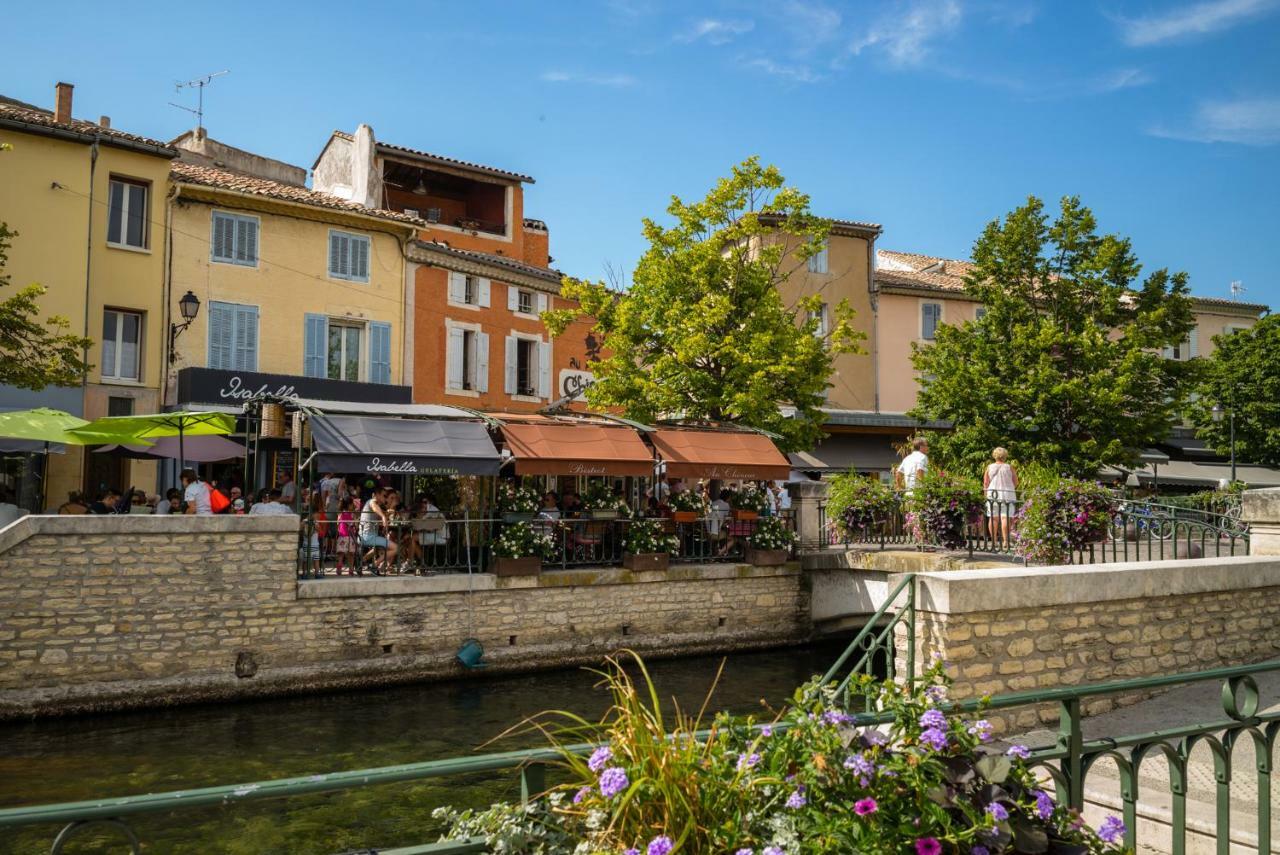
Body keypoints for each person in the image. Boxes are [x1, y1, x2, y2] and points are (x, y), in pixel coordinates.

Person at [983, 447, 1019, 549]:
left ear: (994, 455)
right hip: (1007, 494)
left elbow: (985, 483)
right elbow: (1016, 482)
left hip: (992, 494)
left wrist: (986, 495)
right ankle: (1006, 542)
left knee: (993, 518)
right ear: (1005, 456)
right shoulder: (1009, 467)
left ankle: (994, 542)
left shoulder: (989, 467)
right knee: (1005, 517)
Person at [359, 486, 396, 572]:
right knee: (395, 548)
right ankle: (374, 565)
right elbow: (375, 507)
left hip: (364, 536)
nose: (385, 498)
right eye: (384, 496)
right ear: (377, 495)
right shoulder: (372, 502)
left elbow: (378, 519)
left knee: (377, 549)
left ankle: (361, 561)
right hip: (368, 537)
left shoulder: (374, 506)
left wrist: (386, 514)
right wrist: (383, 516)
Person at [335, 496, 357, 574]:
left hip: (342, 536)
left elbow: (338, 523)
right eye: (352, 504)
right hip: (350, 536)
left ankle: (339, 569)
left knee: (341, 554)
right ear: (349, 505)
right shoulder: (352, 514)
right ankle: (351, 569)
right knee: (351, 554)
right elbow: (355, 524)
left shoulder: (340, 514)